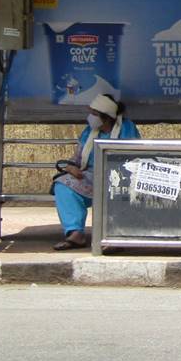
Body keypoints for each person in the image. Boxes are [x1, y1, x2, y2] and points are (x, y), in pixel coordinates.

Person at [51, 93, 140, 249]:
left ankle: (115, 235)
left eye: (94, 114)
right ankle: (75, 233)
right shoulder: (89, 132)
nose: (90, 117)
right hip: (91, 176)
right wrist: (71, 168)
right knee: (62, 186)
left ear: (106, 117)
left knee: (119, 188)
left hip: (119, 175)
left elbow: (135, 157)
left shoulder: (127, 129)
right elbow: (77, 160)